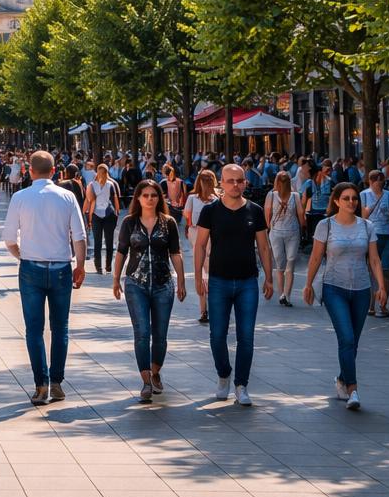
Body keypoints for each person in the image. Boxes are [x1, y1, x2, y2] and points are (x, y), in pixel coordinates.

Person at [2, 151, 86, 405]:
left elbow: (8, 238)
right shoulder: (67, 196)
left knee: (34, 329)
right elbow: (79, 236)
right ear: (54, 172)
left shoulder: (20, 197)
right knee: (60, 327)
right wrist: (79, 265)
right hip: (60, 266)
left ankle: (41, 384)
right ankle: (57, 382)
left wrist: (22, 255)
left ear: (29, 170)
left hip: (31, 267)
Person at [194, 164, 273, 407]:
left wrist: (269, 277)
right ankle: (224, 374)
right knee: (217, 335)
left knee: (246, 336)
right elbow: (200, 245)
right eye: (230, 181)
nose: (235, 185)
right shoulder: (210, 211)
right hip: (218, 280)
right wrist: (198, 276)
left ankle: (241, 384)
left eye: (239, 181)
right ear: (222, 183)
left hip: (248, 281)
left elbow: (263, 246)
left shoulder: (255, 211)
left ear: (245, 183)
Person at [303, 183, 386, 411]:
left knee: (353, 342)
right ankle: (353, 390)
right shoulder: (325, 225)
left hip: (361, 289)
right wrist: (308, 284)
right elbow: (316, 257)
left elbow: (375, 259)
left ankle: (341, 378)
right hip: (334, 287)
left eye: (354, 199)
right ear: (337, 201)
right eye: (346, 198)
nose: (351, 202)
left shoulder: (367, 226)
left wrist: (381, 286)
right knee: (346, 338)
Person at [113, 179, 185, 403]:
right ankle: (145, 381)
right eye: (145, 195)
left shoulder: (168, 222)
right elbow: (121, 252)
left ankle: (155, 372)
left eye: (154, 195)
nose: (150, 199)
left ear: (159, 198)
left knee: (160, 335)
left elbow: (175, 253)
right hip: (136, 284)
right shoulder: (129, 223)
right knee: (142, 332)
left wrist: (181, 280)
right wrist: (116, 279)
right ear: (138, 198)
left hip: (164, 284)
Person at [359, 171, 389, 318]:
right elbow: (363, 216)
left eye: (381, 181)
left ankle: (383, 304)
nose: (379, 183)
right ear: (370, 181)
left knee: (386, 271)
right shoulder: (363, 195)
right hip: (370, 236)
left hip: (387, 234)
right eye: (376, 181)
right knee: (372, 271)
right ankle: (371, 304)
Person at [265, 171, 302, 307]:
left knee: (282, 265)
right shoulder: (295, 196)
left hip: (277, 232)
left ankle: (284, 294)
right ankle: (285, 295)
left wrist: (269, 227)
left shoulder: (271, 195)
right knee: (288, 264)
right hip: (291, 232)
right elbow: (301, 214)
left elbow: (267, 213)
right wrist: (303, 227)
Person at [184, 169, 217, 324]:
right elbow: (187, 216)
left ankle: (207, 308)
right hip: (203, 233)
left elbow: (187, 216)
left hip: (204, 233)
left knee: (206, 269)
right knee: (206, 269)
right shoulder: (197, 198)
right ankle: (207, 308)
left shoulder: (213, 198)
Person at [85, 164, 121, 275]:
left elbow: (115, 199)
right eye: (100, 172)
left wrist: (117, 213)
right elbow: (89, 199)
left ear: (106, 173)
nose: (102, 174)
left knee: (109, 241)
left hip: (108, 214)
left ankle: (108, 266)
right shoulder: (91, 185)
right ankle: (98, 266)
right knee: (98, 241)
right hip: (96, 214)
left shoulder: (110, 184)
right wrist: (86, 212)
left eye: (103, 172)